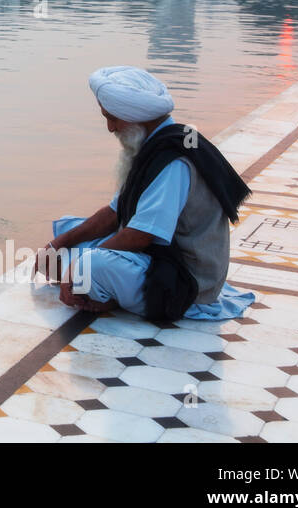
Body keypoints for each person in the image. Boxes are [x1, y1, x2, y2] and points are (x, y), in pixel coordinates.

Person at [35, 66, 255, 321]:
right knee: (61, 245)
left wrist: (79, 267)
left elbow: (140, 237)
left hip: (184, 280)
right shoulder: (153, 146)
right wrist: (58, 244)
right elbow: (113, 214)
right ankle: (101, 288)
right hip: (156, 258)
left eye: (113, 118)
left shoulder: (174, 160)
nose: (110, 128)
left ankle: (107, 294)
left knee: (90, 265)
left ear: (135, 116)